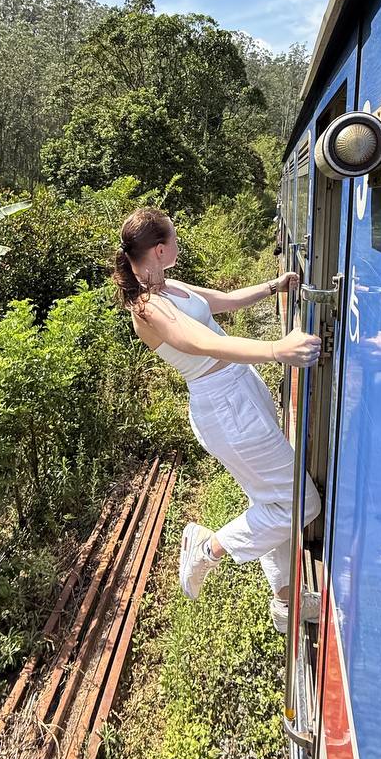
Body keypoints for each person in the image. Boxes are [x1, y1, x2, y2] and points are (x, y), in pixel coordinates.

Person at [111, 205, 325, 634]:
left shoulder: (168, 286)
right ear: (158, 249)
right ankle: (208, 547)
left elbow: (220, 303)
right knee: (303, 502)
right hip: (225, 408)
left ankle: (286, 600)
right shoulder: (148, 307)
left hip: (240, 391)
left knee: (272, 500)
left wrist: (272, 286)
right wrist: (275, 349)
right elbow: (203, 341)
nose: (178, 242)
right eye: (173, 237)